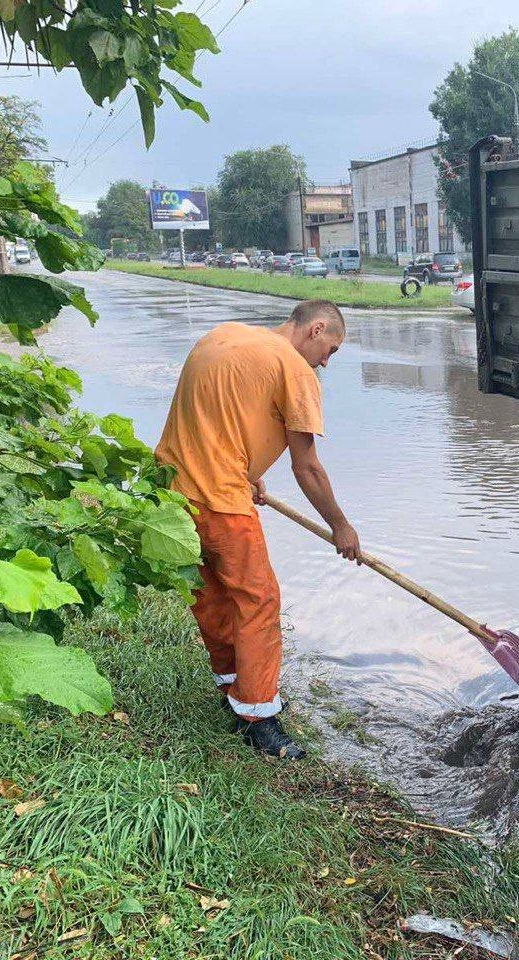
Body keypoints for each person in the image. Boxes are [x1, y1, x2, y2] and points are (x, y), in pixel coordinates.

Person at [155, 299, 361, 759]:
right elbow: (307, 467)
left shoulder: (225, 336)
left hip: (171, 493)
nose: (326, 362)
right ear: (317, 329)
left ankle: (235, 687)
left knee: (211, 594)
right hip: (221, 503)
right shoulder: (294, 369)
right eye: (331, 350)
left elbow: (212, 419)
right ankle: (258, 719)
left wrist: (244, 472)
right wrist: (341, 526)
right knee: (258, 602)